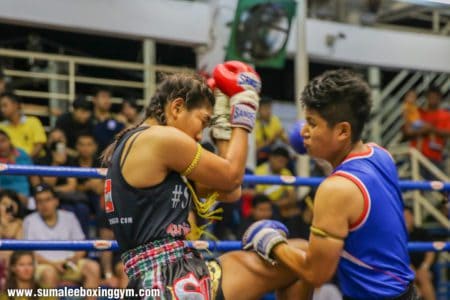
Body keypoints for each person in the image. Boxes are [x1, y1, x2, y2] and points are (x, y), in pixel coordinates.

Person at [101, 63, 312, 300]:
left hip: (165, 276)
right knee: (300, 256)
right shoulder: (160, 139)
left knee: (297, 258)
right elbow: (232, 174)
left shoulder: (149, 149)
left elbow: (230, 190)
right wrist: (244, 112)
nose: (201, 135)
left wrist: (223, 129)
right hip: (170, 280)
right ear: (177, 107)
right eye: (203, 121)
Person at [244, 70, 417, 299]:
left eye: (312, 123)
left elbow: (315, 274)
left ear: (343, 131)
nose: (303, 131)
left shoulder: (335, 189)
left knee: (296, 257)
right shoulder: (381, 155)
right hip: (406, 291)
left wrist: (270, 242)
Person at [403, 207, 436, 300]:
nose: (406, 219)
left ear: (412, 217)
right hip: (404, 268)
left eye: (408, 216)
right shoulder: (396, 234)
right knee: (410, 279)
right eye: (403, 216)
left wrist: (425, 266)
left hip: (423, 268)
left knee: (424, 277)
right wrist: (408, 267)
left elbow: (431, 251)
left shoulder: (422, 232)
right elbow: (395, 254)